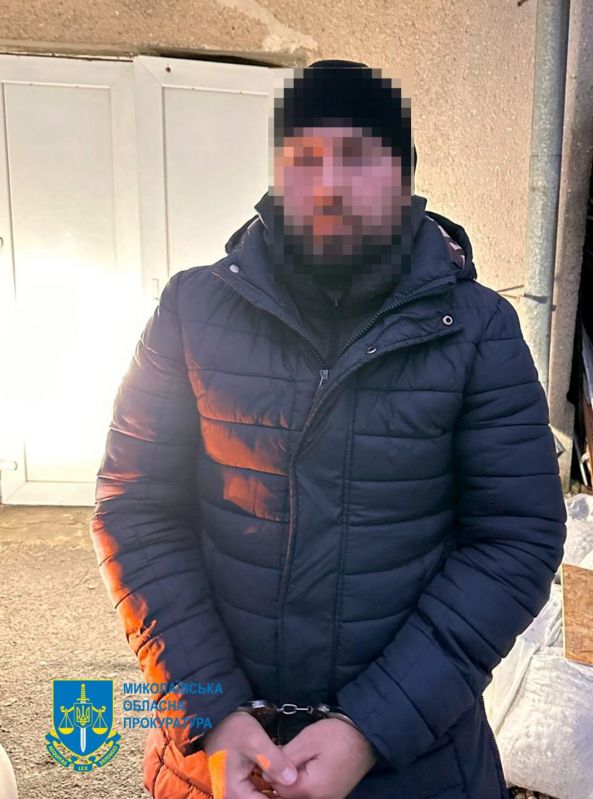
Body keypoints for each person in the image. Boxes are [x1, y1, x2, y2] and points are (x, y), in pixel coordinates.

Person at [90, 60, 567, 799]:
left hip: (414, 759)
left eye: (357, 156)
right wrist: (214, 716)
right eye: (304, 157)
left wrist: (370, 727)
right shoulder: (191, 310)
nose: (329, 184)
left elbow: (515, 537)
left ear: (404, 174)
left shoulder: (478, 330)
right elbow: (136, 510)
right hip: (215, 760)